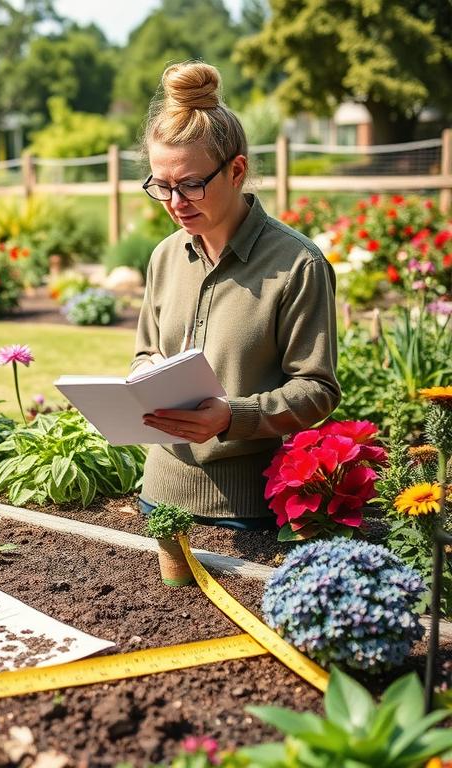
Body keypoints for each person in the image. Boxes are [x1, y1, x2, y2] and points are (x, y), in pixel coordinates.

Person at [129, 61, 340, 530]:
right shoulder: (164, 256)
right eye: (161, 186)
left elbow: (318, 390)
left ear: (237, 169)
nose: (175, 203)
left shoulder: (298, 265)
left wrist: (232, 417)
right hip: (157, 497)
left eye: (190, 184)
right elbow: (146, 350)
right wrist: (144, 371)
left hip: (249, 511)